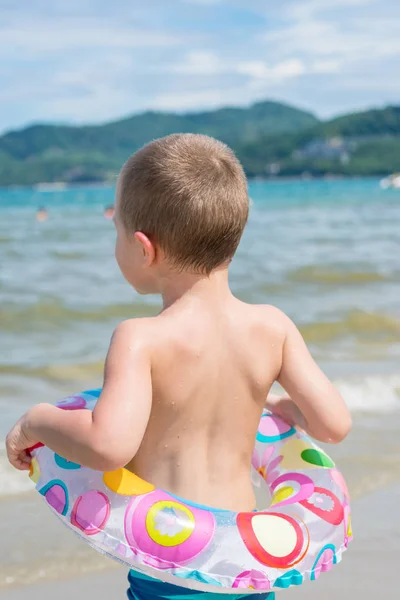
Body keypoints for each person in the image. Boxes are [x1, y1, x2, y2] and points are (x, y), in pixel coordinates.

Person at [6, 134, 352, 600]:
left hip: (173, 577)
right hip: (248, 570)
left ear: (144, 249)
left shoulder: (140, 338)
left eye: (117, 232)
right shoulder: (273, 327)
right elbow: (333, 425)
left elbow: (107, 446)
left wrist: (35, 421)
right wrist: (281, 406)